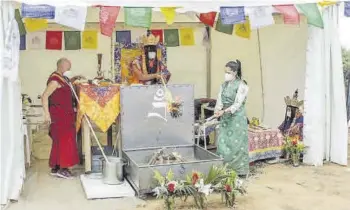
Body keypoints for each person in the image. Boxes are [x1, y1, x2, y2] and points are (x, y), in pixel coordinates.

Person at [41, 58, 84, 179]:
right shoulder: (54, 80)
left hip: (65, 114)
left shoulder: (62, 78)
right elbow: (44, 96)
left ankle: (55, 167)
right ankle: (63, 169)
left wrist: (75, 78)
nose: (69, 70)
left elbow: (66, 85)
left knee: (58, 142)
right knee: (65, 141)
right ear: (61, 67)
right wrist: (46, 114)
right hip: (59, 116)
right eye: (68, 68)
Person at [214, 60, 249, 175]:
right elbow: (219, 100)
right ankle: (224, 170)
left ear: (234, 72)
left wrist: (225, 111)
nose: (226, 74)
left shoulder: (242, 85)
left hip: (236, 118)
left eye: (228, 72)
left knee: (236, 144)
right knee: (223, 143)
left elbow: (237, 104)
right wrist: (218, 110)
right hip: (225, 118)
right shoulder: (223, 85)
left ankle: (239, 171)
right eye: (225, 72)